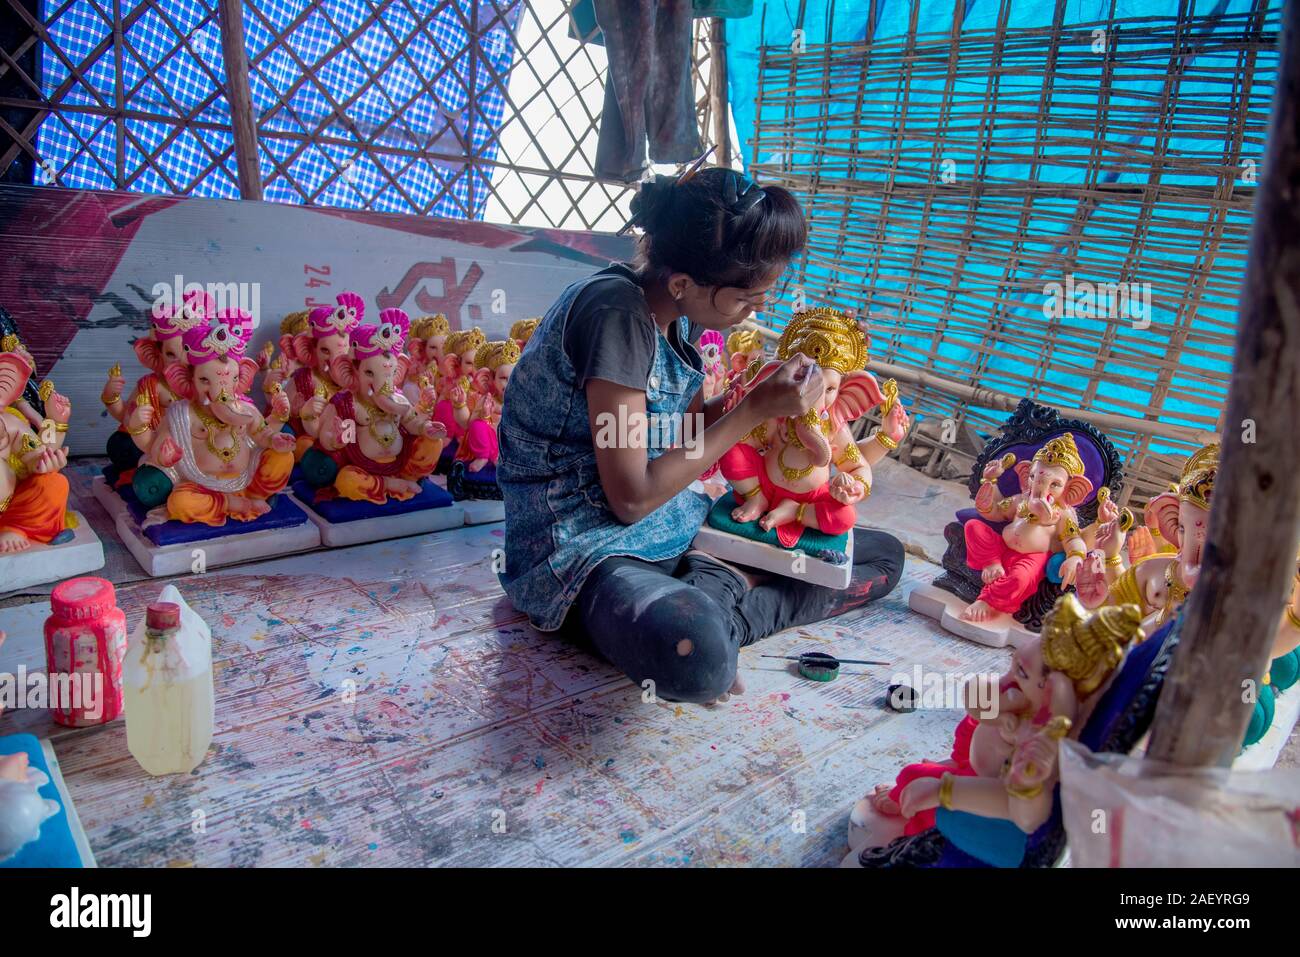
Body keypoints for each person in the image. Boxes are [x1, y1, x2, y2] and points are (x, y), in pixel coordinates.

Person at [496, 167, 905, 704]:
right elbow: (630, 497)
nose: (752, 314)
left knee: (882, 557)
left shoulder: (678, 316)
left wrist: (752, 400)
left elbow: (684, 433)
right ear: (684, 284)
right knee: (696, 653)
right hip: (580, 547)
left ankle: (723, 593)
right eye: (745, 301)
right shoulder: (615, 317)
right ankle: (722, 606)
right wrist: (752, 409)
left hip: (671, 524)